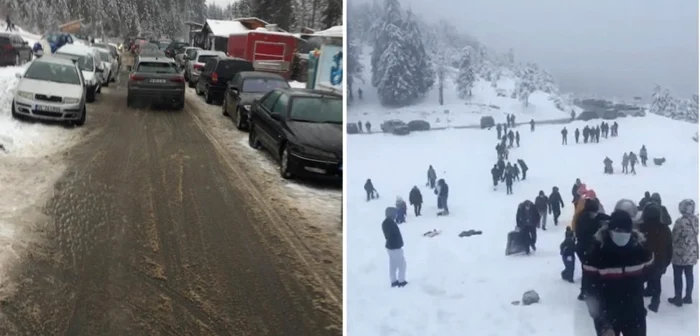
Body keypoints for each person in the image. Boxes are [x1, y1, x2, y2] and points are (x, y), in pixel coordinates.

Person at [584, 210, 653, 336]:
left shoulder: (639, 251)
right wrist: (603, 325)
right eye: (617, 231)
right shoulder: (596, 253)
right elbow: (590, 291)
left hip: (634, 316)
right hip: (607, 317)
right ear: (609, 230)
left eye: (625, 231)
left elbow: (648, 273)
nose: (621, 235)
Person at [638, 202, 673, 312]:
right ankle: (655, 301)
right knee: (657, 280)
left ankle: (638, 303)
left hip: (645, 262)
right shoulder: (665, 229)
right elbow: (669, 247)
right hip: (660, 261)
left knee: (639, 282)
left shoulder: (641, 228)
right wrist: (666, 262)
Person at [575, 197, 608, 301]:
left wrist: (612, 218)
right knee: (587, 270)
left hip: (585, 248)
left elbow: (599, 216)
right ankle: (585, 292)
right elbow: (587, 235)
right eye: (594, 212)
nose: (595, 214)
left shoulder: (588, 215)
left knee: (588, 270)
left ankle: (587, 291)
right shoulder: (584, 219)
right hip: (585, 248)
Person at [669, 199, 699, 306]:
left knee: (678, 275)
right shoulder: (696, 220)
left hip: (680, 254)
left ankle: (678, 298)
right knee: (689, 274)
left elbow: (674, 237)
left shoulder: (680, 222)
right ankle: (688, 297)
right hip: (692, 253)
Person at [382, 207, 407, 288]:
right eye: (395, 213)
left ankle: (393, 281)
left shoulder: (385, 222)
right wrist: (399, 243)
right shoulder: (391, 223)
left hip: (389, 246)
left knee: (393, 264)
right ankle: (401, 281)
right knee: (402, 264)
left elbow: (387, 236)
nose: (396, 215)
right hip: (395, 247)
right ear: (392, 214)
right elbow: (393, 235)